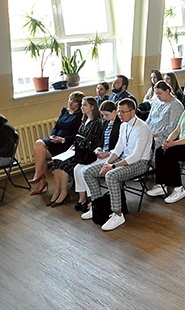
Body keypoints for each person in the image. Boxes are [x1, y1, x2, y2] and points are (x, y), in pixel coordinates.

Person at [81, 98, 153, 231]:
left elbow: (136, 156)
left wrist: (113, 166)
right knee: (88, 172)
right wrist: (107, 163)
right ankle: (98, 207)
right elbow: (119, 148)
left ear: (132, 112)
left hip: (139, 163)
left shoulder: (142, 128)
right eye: (119, 111)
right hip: (124, 159)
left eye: (123, 112)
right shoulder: (123, 125)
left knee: (111, 176)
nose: (120, 115)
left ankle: (118, 214)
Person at [49, 97, 103, 207]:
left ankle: (64, 193)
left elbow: (92, 141)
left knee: (64, 164)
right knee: (56, 161)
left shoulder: (97, 122)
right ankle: (57, 191)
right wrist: (73, 146)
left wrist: (77, 146)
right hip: (78, 149)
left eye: (84, 105)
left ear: (92, 107)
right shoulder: (84, 120)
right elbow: (77, 137)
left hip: (87, 152)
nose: (82, 107)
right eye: (82, 105)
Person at [29, 91, 84, 195]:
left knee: (40, 149)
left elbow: (77, 134)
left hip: (66, 144)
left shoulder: (80, 116)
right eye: (70, 99)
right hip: (55, 141)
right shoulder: (64, 111)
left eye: (75, 101)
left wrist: (62, 139)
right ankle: (40, 179)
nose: (71, 102)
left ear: (80, 104)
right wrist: (52, 136)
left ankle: (40, 179)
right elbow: (57, 127)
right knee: (39, 146)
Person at [73, 100, 121, 211]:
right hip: (103, 154)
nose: (104, 117)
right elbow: (99, 141)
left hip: (112, 155)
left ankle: (92, 201)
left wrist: (107, 153)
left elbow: (120, 147)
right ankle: (82, 198)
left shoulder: (120, 124)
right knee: (77, 169)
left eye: (106, 115)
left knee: (86, 170)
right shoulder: (105, 123)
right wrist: (98, 149)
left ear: (114, 112)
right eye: (103, 115)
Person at [145, 80, 184, 149]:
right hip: (150, 132)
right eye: (156, 94)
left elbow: (172, 127)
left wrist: (156, 134)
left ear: (167, 91)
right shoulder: (156, 102)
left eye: (159, 93)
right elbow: (149, 119)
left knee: (147, 145)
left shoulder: (176, 105)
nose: (157, 96)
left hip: (162, 136)